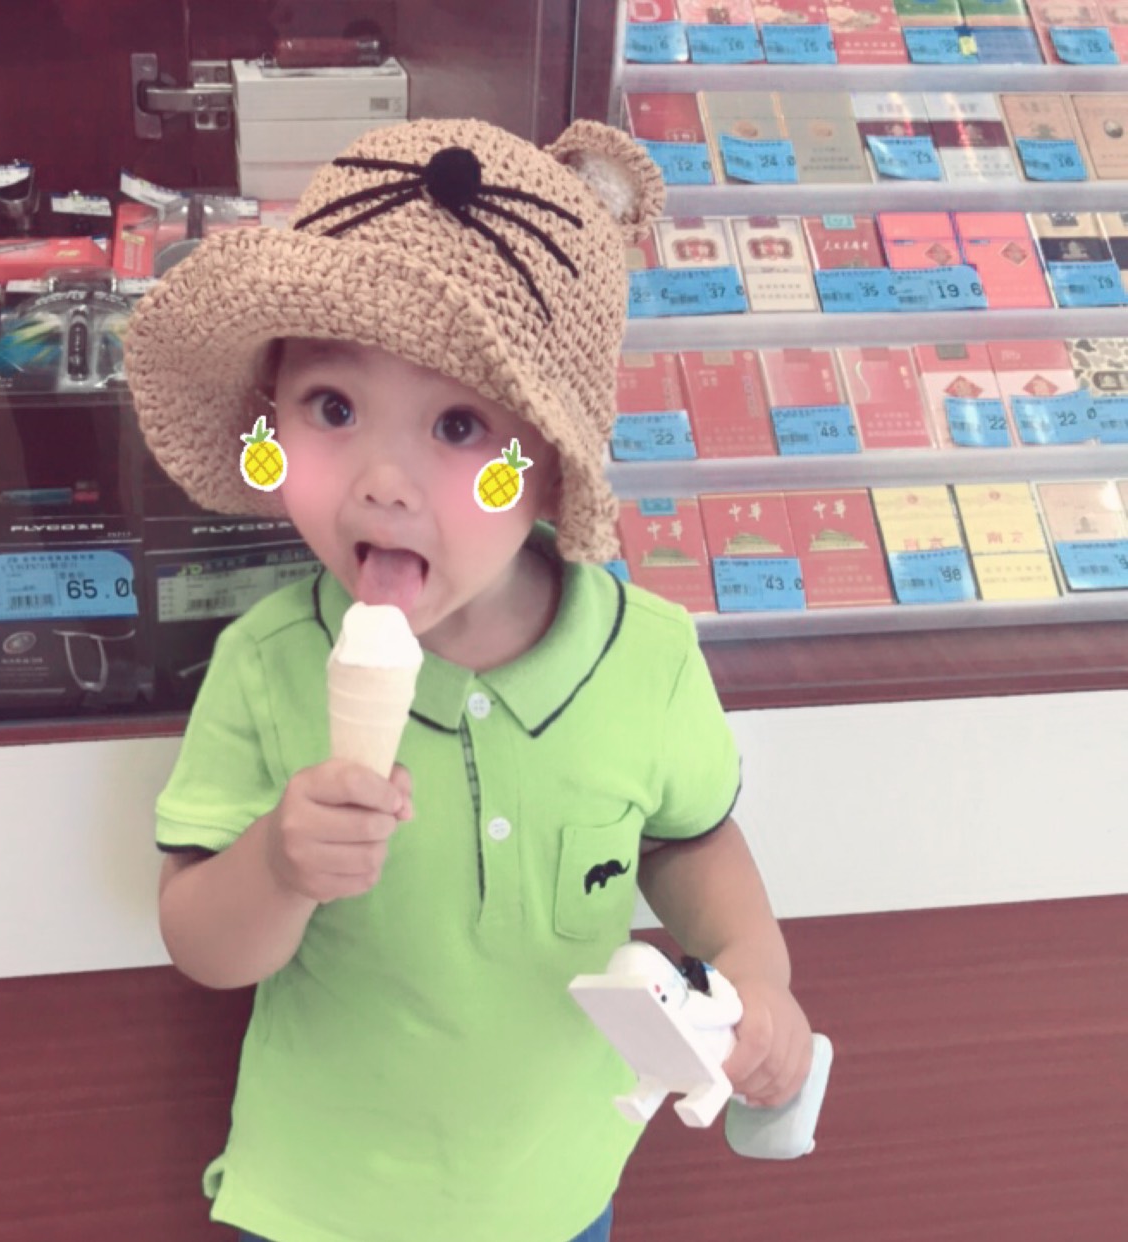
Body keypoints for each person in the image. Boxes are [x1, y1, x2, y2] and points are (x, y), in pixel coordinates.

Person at [123, 116, 815, 1242]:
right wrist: (280, 867)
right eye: (333, 409)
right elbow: (202, 946)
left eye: (457, 426)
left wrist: (755, 968)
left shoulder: (645, 657)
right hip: (315, 1202)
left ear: (548, 465)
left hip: (556, 1194)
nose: (382, 482)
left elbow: (687, 838)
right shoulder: (266, 664)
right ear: (269, 423)